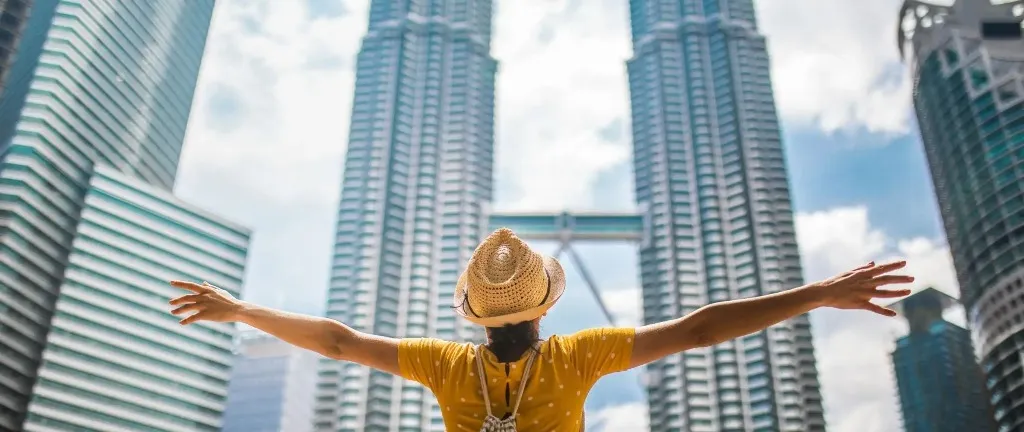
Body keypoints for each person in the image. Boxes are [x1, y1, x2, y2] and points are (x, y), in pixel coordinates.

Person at [168, 227, 913, 432]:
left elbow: (337, 341)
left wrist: (241, 311)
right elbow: (698, 331)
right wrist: (816, 293)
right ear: (544, 307)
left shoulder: (445, 367)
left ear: (474, 312)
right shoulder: (580, 357)